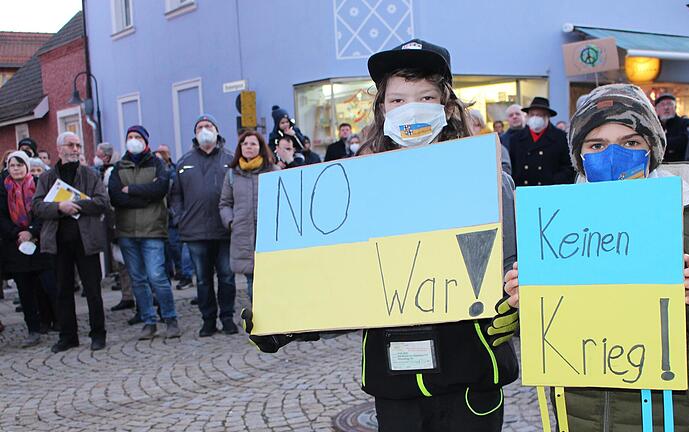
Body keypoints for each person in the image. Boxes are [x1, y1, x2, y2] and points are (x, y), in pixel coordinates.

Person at [244, 38, 519, 432]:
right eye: (398, 100)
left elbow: (515, 266)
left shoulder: (489, 182)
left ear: (447, 105)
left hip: (470, 377)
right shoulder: (357, 188)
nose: (412, 109)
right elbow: (343, 283)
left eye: (425, 97)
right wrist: (285, 319)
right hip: (395, 386)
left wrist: (519, 298)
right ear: (382, 108)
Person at [504, 83, 689, 431]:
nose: (613, 155)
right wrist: (524, 304)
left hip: (673, 420)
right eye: (596, 145)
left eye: (630, 142)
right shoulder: (555, 228)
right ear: (579, 155)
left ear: (652, 149)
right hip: (583, 420)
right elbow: (543, 334)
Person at [32, 131, 109, 353]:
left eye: (78, 145)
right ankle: (68, 336)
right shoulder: (47, 178)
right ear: (59, 149)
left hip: (86, 241)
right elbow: (37, 206)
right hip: (58, 242)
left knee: (93, 290)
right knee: (62, 291)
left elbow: (102, 202)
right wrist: (59, 207)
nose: (76, 149)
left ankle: (98, 334)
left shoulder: (89, 174)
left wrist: (75, 204)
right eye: (71, 145)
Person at [109, 126, 180, 340]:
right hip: (127, 231)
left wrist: (130, 190)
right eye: (130, 137)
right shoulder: (119, 167)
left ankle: (170, 318)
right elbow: (115, 196)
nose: (133, 140)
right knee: (138, 279)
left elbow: (159, 190)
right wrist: (145, 194)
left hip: (153, 230)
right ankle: (149, 321)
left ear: (145, 141)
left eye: (137, 137)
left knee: (157, 276)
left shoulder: (157, 164)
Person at [170, 114, 238, 337]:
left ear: (217, 130)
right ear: (195, 133)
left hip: (224, 230)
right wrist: (180, 217)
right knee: (203, 280)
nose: (204, 129)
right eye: (200, 127)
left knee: (227, 276)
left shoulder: (231, 159)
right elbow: (175, 195)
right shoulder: (184, 162)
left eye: (208, 125)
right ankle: (208, 319)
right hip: (195, 231)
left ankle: (227, 317)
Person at [0, 151, 55, 347]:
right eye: (12, 165)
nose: (15, 169)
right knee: (25, 290)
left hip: (40, 242)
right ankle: (33, 328)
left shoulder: (39, 183)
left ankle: (60, 322)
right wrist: (18, 233)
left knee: (50, 285)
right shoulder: (3, 188)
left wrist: (32, 231)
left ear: (27, 166)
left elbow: (45, 210)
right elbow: (2, 217)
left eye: (19, 165)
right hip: (15, 245)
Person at [219, 130, 277, 301]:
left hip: (269, 237)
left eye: (253, 143)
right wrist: (231, 222)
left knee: (272, 283)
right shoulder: (232, 174)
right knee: (252, 286)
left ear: (260, 148)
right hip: (243, 236)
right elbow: (225, 203)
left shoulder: (272, 170)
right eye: (245, 143)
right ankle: (260, 323)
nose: (248, 147)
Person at [505, 96, 575, 186]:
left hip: (549, 190)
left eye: (539, 115)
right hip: (524, 191)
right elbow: (512, 168)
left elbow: (568, 168)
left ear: (547, 117)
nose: (535, 118)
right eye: (532, 114)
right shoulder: (516, 139)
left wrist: (553, 181)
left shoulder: (561, 138)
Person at [155, 144, 193, 289]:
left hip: (173, 216)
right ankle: (180, 272)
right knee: (172, 247)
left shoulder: (173, 171)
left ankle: (184, 273)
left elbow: (175, 193)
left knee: (177, 246)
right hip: (167, 216)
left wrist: (176, 214)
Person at [655, 93, 689, 163]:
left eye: (669, 104)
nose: (666, 107)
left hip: (680, 165)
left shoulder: (684, 123)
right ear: (656, 110)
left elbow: (684, 141)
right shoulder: (653, 126)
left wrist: (661, 142)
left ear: (675, 107)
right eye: (662, 105)